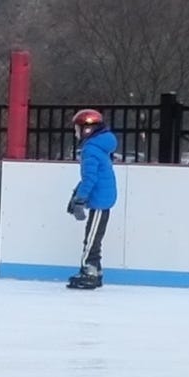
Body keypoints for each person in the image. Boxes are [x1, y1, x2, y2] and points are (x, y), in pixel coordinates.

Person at [68, 107, 121, 288]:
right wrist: (77, 194)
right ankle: (96, 270)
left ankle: (88, 271)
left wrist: (80, 199)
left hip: (100, 199)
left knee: (91, 238)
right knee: (94, 236)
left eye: (77, 129)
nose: (76, 133)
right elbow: (90, 177)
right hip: (103, 197)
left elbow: (90, 178)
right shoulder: (99, 146)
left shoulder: (90, 149)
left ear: (87, 129)